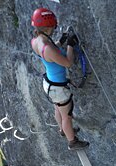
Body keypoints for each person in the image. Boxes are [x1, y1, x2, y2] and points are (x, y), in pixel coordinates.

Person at [30, 8, 89, 150]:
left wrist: (62, 41)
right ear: (49, 26)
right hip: (58, 88)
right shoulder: (46, 47)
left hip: (50, 84)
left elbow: (51, 50)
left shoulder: (37, 40)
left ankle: (63, 130)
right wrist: (69, 45)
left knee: (58, 108)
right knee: (67, 115)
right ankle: (72, 141)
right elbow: (68, 62)